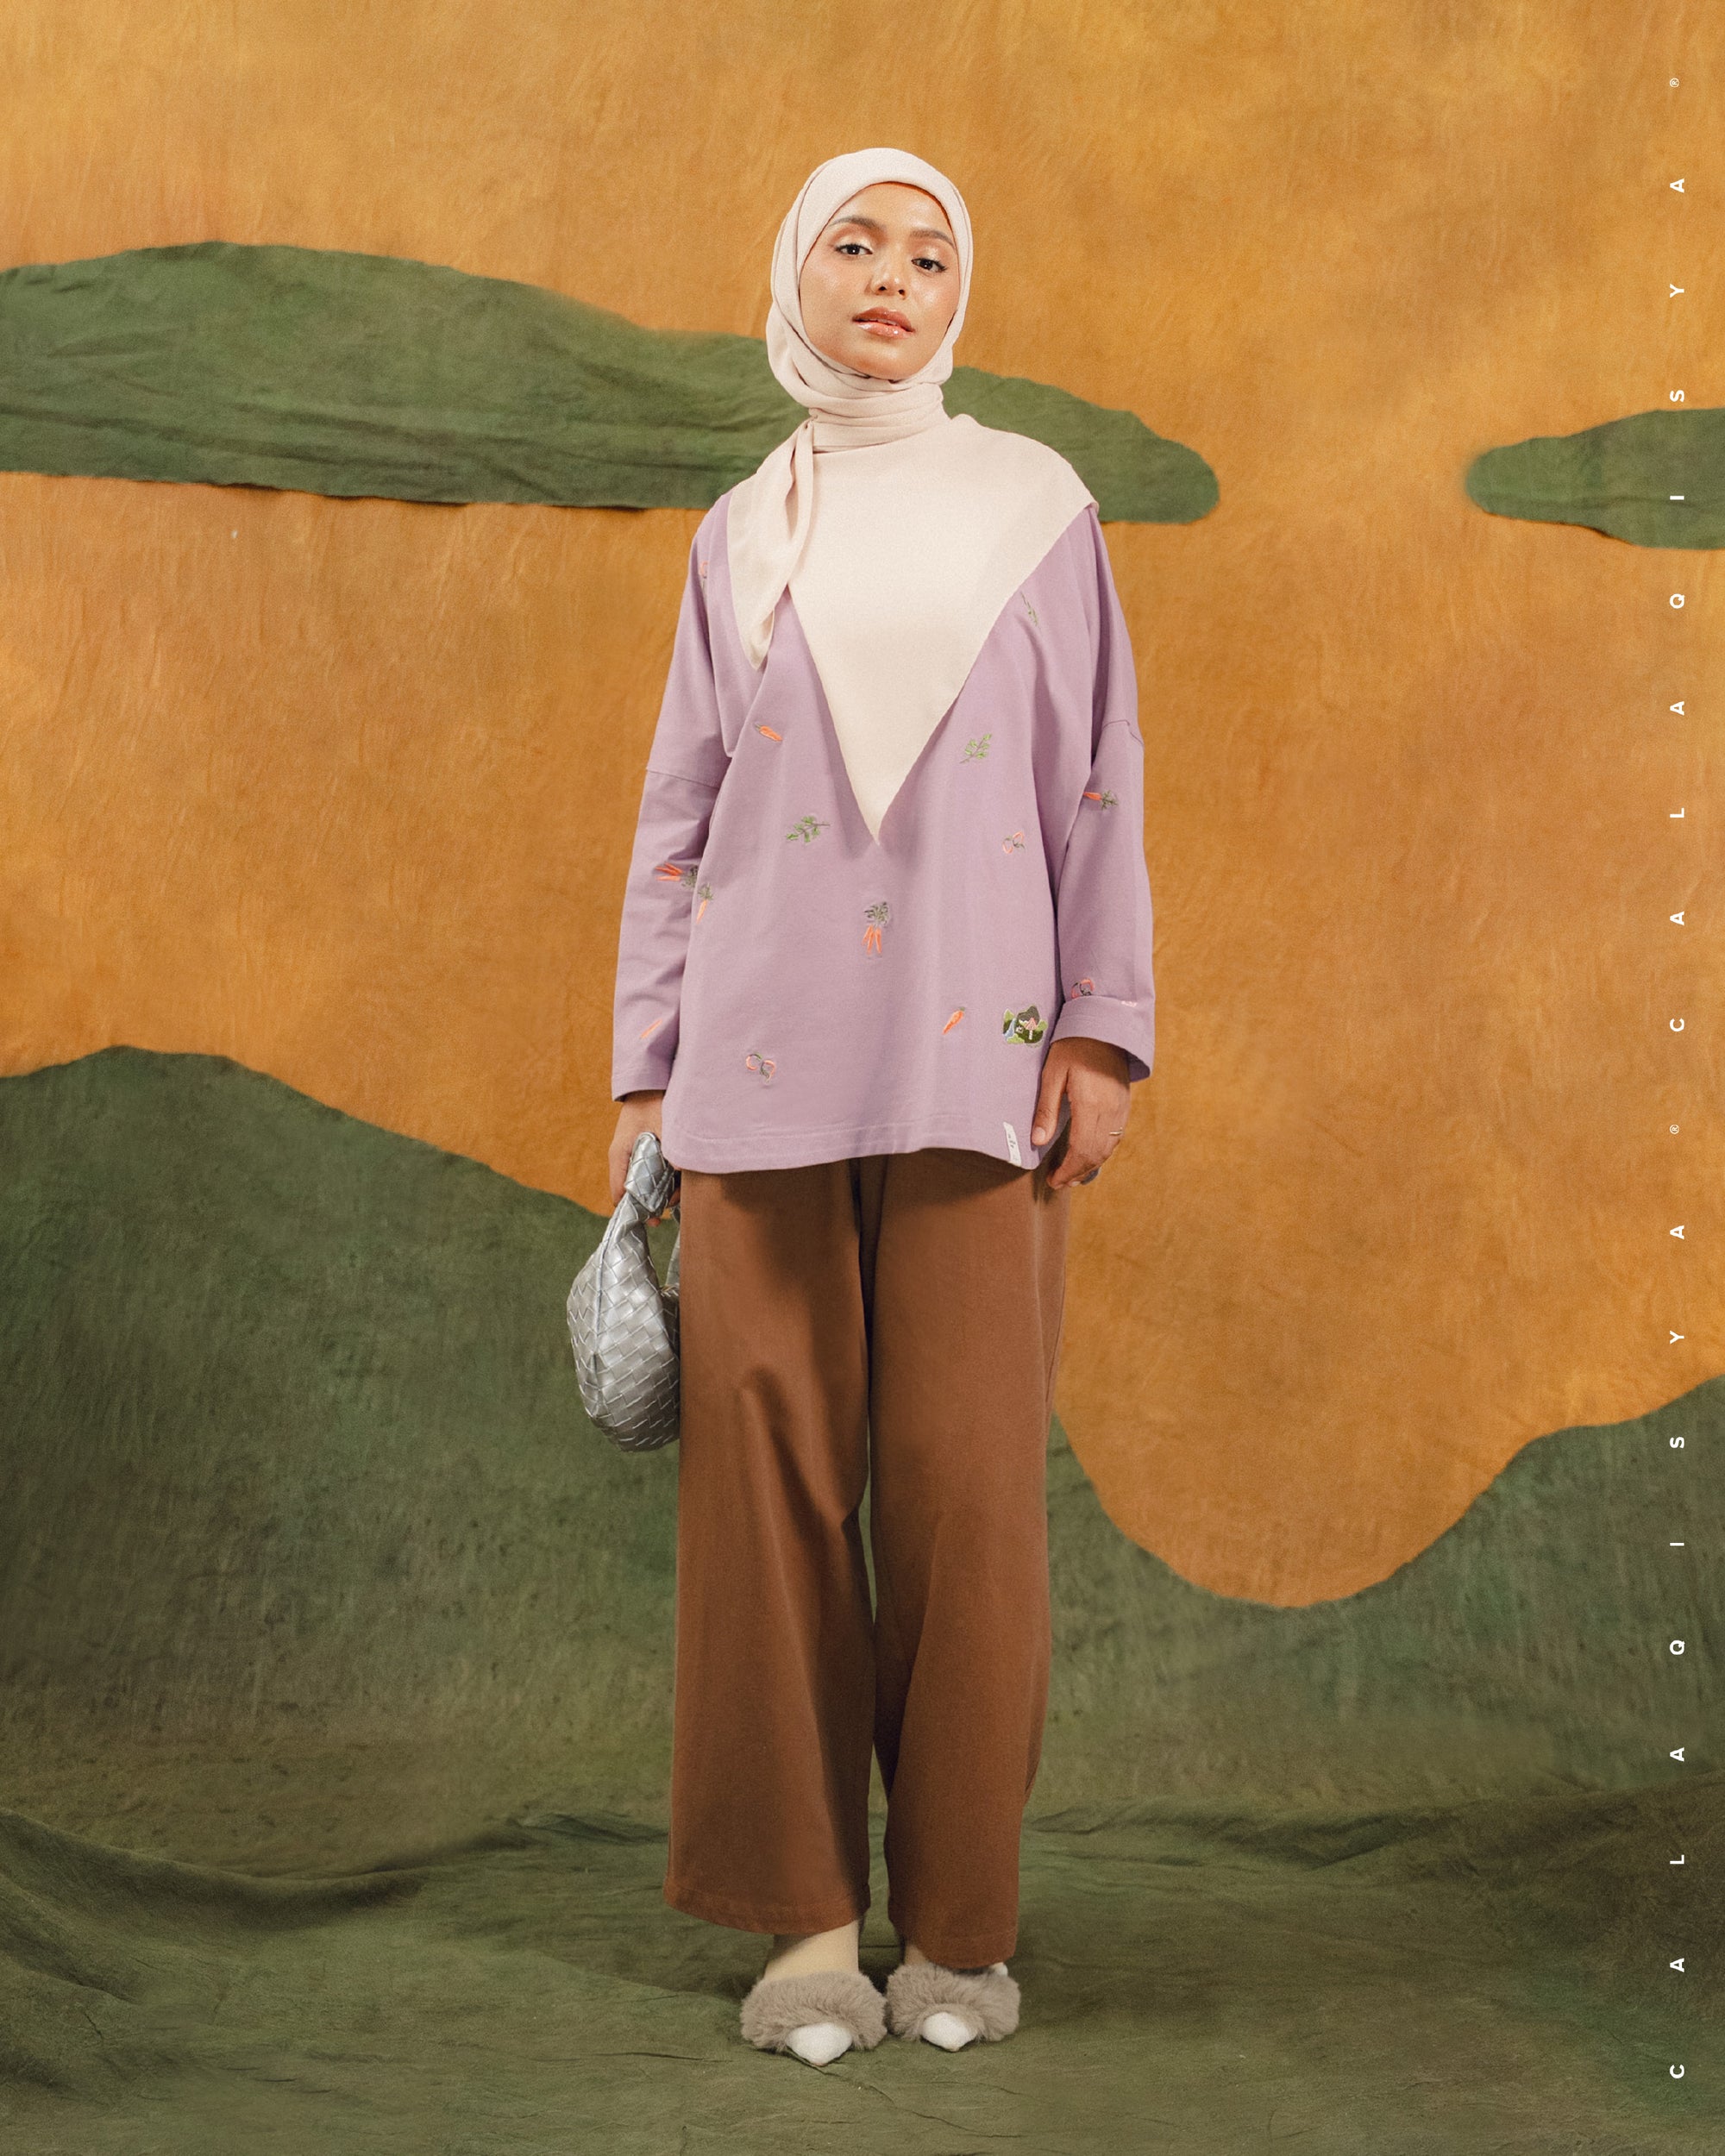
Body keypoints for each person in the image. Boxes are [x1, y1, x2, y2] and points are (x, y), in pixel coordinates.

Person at [606, 147, 1155, 2066]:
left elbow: (1100, 780)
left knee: (966, 1499)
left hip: (977, 1068)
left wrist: (1101, 1028)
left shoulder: (1037, 509)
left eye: (928, 252)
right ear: (797, 276)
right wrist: (647, 1069)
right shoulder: (738, 531)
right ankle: (808, 1927)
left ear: (957, 293)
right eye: (855, 243)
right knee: (761, 1493)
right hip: (750, 1077)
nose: (892, 277)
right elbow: (679, 815)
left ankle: (962, 1928)